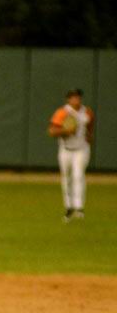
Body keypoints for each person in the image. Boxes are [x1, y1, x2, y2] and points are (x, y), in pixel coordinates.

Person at [48, 88, 95, 222]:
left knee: (78, 175)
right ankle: (69, 207)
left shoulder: (87, 112)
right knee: (66, 177)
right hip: (65, 150)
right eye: (73, 97)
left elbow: (90, 125)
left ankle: (79, 207)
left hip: (81, 149)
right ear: (68, 99)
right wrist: (66, 130)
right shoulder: (62, 112)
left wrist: (89, 136)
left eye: (78, 97)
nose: (76, 99)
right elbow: (51, 131)